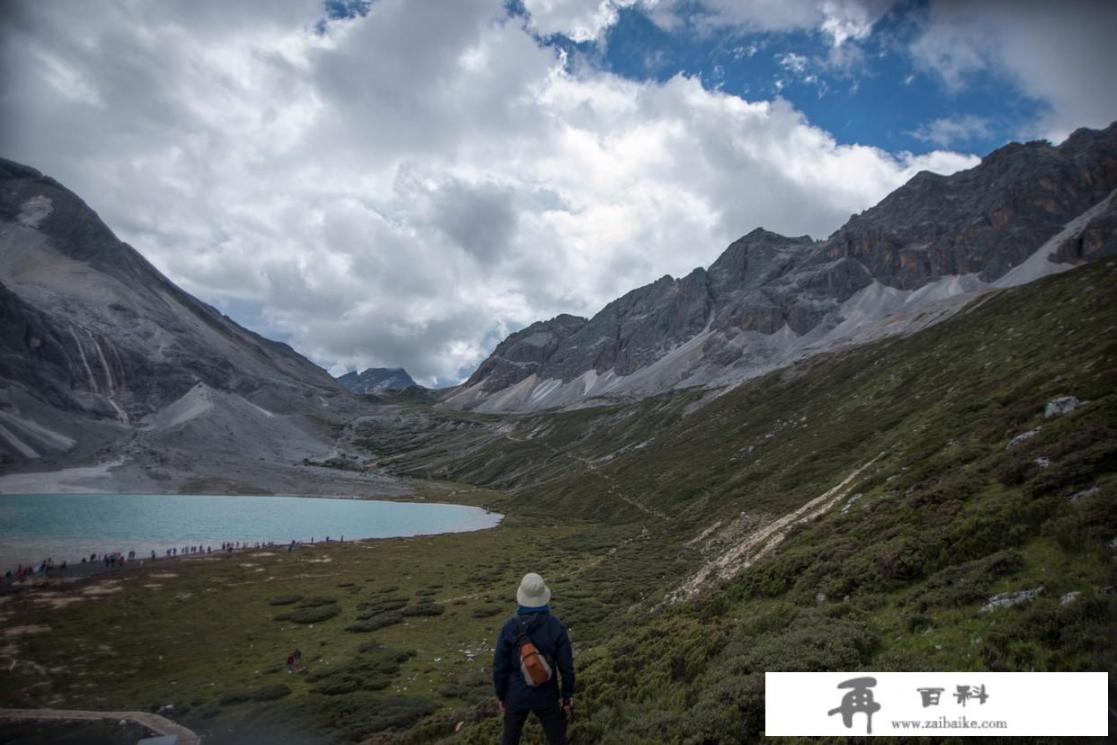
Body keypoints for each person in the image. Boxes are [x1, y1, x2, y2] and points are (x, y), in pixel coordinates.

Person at [492, 573, 574, 745]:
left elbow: (500, 666)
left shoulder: (510, 626)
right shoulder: (555, 626)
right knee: (558, 739)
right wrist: (566, 697)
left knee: (509, 740)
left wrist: (501, 696)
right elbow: (566, 667)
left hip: (516, 694)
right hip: (547, 694)